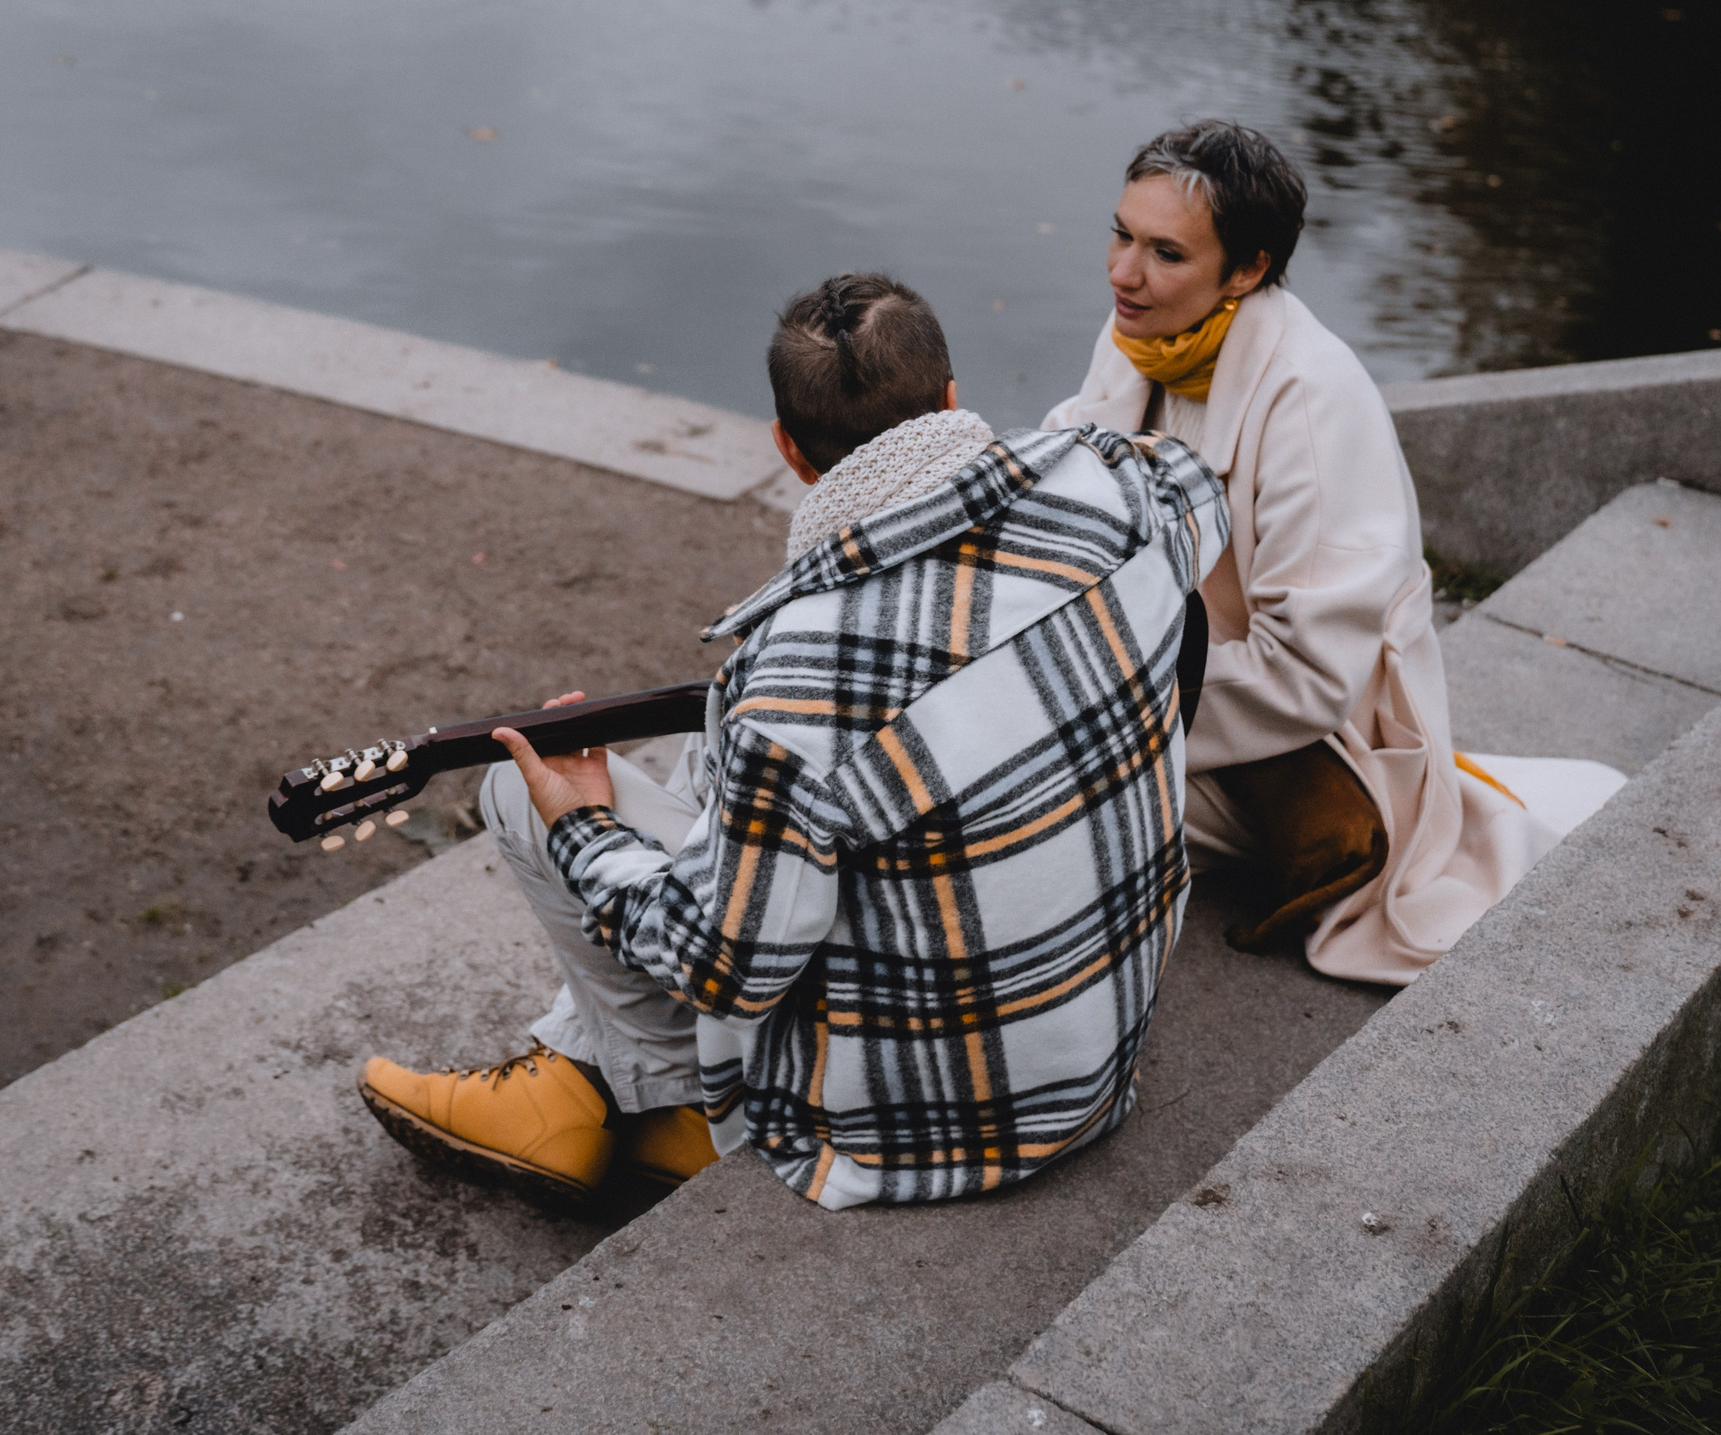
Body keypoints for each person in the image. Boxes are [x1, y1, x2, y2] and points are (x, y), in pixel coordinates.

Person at [359, 273, 1229, 1209]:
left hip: (917, 1134)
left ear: (789, 451)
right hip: (1095, 1061)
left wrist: (583, 828)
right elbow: (1183, 502)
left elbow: (721, 967)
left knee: (518, 788)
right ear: (950, 397)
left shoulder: (804, 680)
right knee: (723, 767)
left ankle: (654, 1100)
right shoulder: (1131, 488)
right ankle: (582, 1074)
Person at [1042, 121, 1622, 985]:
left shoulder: (1312, 402)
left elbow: (1310, 677)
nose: (1124, 272)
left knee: (1030, 796)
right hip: (1178, 679)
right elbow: (1079, 458)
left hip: (1297, 743)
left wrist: (1107, 718)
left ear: (1247, 270)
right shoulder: (1151, 327)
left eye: (1165, 251)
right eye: (1121, 234)